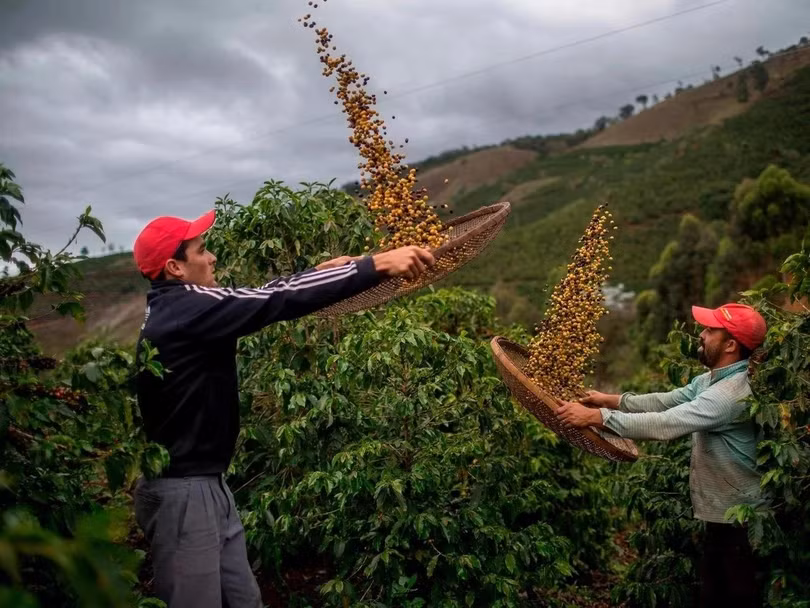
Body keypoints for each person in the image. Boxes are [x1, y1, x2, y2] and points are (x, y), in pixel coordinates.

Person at [131, 210, 435, 608]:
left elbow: (261, 294)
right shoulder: (189, 308)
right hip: (186, 494)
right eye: (202, 251)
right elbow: (274, 299)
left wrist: (318, 273)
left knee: (243, 600)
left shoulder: (175, 307)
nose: (212, 258)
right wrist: (373, 264)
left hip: (203, 484)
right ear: (175, 267)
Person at [556, 302, 767, 607]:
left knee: (734, 596)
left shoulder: (730, 395)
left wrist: (598, 417)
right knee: (713, 591)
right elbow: (666, 401)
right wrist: (610, 400)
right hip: (723, 515)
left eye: (710, 330)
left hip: (741, 521)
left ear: (731, 345)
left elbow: (667, 423)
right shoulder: (711, 380)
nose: (702, 335)